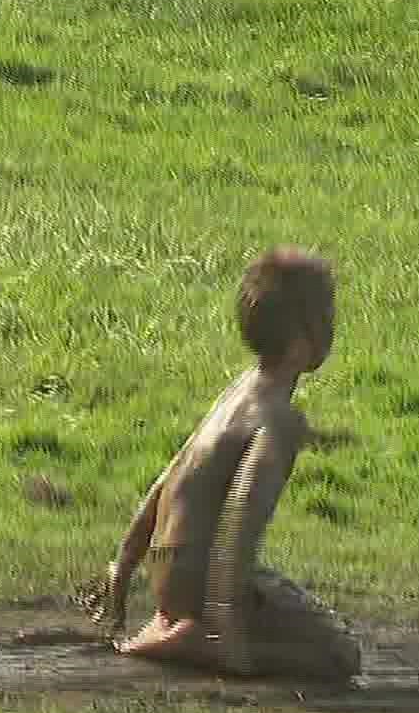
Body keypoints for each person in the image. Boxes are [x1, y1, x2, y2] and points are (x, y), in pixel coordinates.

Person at [79, 246, 361, 682]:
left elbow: (167, 481)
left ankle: (175, 623)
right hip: (203, 576)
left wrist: (124, 566)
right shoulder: (278, 418)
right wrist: (225, 634)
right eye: (330, 315)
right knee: (340, 654)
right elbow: (238, 523)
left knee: (281, 604)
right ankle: (194, 639)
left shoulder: (240, 391)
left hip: (167, 571)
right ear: (306, 337)